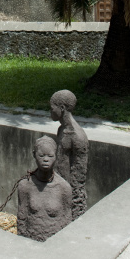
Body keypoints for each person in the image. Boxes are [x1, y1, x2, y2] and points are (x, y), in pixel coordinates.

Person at [17, 135, 72, 241]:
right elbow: (21, 219)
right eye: (41, 155)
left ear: (56, 156)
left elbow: (67, 221)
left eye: (50, 156)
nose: (46, 159)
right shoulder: (25, 186)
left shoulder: (64, 188)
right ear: (34, 154)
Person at [50, 89, 89, 218]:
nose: (50, 111)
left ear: (61, 108)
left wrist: (72, 197)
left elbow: (79, 173)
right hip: (58, 185)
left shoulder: (77, 136)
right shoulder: (62, 129)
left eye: (52, 108)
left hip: (70, 192)